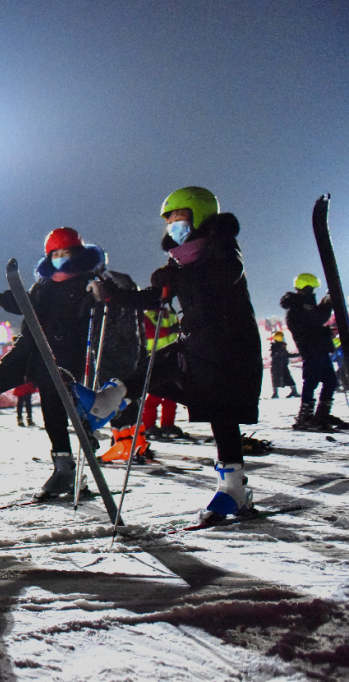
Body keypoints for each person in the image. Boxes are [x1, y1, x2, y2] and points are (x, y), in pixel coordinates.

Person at [84, 187, 264, 524]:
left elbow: (223, 276)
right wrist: (113, 297)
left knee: (221, 414)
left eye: (177, 216)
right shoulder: (181, 258)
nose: (171, 224)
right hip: (199, 345)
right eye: (168, 219)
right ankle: (110, 398)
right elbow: (159, 296)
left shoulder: (221, 249)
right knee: (159, 368)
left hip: (230, 348)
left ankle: (233, 490)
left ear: (198, 214)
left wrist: (178, 276)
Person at [0, 227, 122, 497]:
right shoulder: (44, 284)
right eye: (55, 253)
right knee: (1, 374)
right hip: (32, 346)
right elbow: (27, 301)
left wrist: (100, 293)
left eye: (66, 253)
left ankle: (65, 469)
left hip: (61, 354)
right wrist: (0, 298)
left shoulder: (86, 281)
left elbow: (108, 301)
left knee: (52, 410)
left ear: (78, 254)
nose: (60, 258)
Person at [281, 274, 346, 430]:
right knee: (311, 382)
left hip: (319, 348)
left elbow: (315, 321)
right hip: (312, 350)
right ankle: (305, 417)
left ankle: (322, 414)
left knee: (330, 381)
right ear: (307, 287)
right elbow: (317, 319)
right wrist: (328, 302)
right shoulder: (299, 305)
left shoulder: (303, 304)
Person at [139, 306, 189, 441]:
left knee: (171, 395)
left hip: (171, 357)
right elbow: (150, 332)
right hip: (154, 357)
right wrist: (170, 330)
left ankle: (167, 424)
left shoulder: (170, 313)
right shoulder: (147, 314)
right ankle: (148, 426)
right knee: (154, 396)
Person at [268, 330, 298, 399]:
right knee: (276, 379)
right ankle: (276, 393)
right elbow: (275, 355)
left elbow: (286, 355)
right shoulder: (276, 346)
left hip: (282, 366)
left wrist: (297, 354)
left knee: (287, 378)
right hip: (277, 366)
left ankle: (293, 391)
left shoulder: (281, 346)